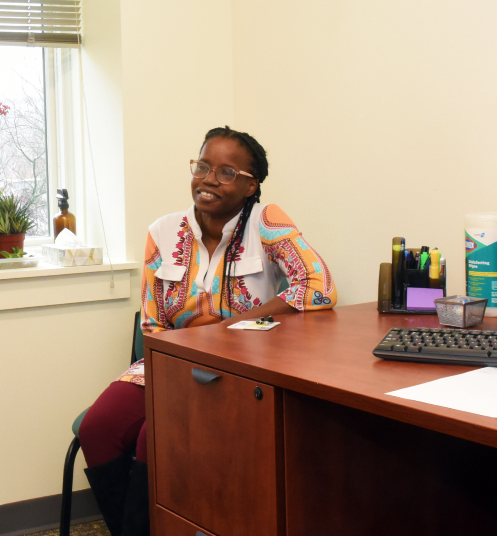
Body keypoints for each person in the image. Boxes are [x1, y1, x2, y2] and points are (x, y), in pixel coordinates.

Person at [76, 127, 337, 535]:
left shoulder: (266, 222)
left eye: (227, 172)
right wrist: (178, 360)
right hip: (169, 361)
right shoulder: (162, 232)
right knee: (98, 428)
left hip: (239, 369)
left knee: (152, 437)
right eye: (202, 166)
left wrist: (228, 329)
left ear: (251, 185)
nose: (209, 179)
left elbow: (319, 286)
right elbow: (151, 324)